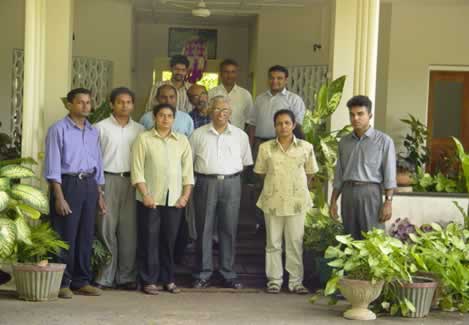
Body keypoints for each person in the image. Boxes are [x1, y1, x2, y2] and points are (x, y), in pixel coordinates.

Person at [44, 88, 106, 299]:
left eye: (88, 102)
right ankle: (62, 282)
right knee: (65, 235)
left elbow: (98, 161)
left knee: (86, 235)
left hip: (89, 184)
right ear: (70, 105)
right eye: (80, 102)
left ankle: (81, 281)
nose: (85, 106)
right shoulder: (58, 129)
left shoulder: (92, 131)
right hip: (68, 184)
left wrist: (99, 193)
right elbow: (52, 166)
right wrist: (59, 197)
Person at [190, 96, 253, 289]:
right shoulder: (198, 134)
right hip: (205, 182)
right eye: (217, 109)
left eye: (225, 110)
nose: (221, 113)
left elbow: (245, 162)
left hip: (231, 183)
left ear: (230, 113)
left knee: (228, 228)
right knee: (204, 228)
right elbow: (189, 163)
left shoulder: (240, 136)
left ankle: (227, 272)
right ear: (210, 110)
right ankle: (203, 273)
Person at [131, 103, 194, 295]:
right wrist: (145, 194)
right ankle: (148, 281)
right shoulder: (143, 139)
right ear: (154, 117)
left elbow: (188, 172)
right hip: (150, 199)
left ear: (174, 119)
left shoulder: (182, 140)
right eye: (161, 115)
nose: (165, 119)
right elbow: (137, 169)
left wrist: (185, 196)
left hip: (174, 200)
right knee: (149, 241)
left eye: (169, 116)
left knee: (169, 241)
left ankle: (168, 279)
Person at [254, 109, 318, 294]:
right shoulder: (265, 148)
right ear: (275, 126)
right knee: (273, 243)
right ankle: (274, 280)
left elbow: (310, 173)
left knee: (295, 243)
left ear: (293, 125)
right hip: (272, 200)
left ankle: (295, 282)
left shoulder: (306, 147)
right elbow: (261, 173)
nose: (283, 127)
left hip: (297, 202)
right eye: (279, 123)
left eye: (287, 123)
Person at [94, 87, 144, 290]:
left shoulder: (139, 129)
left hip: (132, 182)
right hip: (107, 180)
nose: (125, 106)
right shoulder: (99, 128)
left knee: (128, 231)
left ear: (133, 104)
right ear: (112, 104)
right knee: (106, 229)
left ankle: (126, 277)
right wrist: (97, 188)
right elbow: (93, 159)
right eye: (120, 102)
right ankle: (104, 277)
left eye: (129, 102)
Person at [247, 65, 306, 233]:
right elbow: (252, 124)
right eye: (272, 77)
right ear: (268, 79)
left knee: (282, 184)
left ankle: (282, 222)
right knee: (261, 184)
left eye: (279, 78)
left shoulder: (294, 100)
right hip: (261, 144)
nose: (275, 81)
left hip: (284, 146)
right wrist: (251, 148)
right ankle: (261, 223)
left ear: (286, 80)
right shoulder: (259, 99)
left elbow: (298, 127)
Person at [329, 95, 396, 240]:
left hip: (370, 193)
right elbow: (339, 175)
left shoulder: (384, 141)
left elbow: (390, 174)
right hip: (348, 194)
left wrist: (388, 202)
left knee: (372, 239)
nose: (355, 118)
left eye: (360, 114)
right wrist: (333, 201)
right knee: (349, 238)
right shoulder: (344, 142)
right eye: (352, 115)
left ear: (370, 115)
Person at [208, 59, 253, 130]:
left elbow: (249, 120)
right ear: (221, 73)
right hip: (215, 134)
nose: (230, 75)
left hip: (237, 136)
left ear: (237, 73)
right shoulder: (211, 93)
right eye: (226, 72)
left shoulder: (245, 94)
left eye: (233, 72)